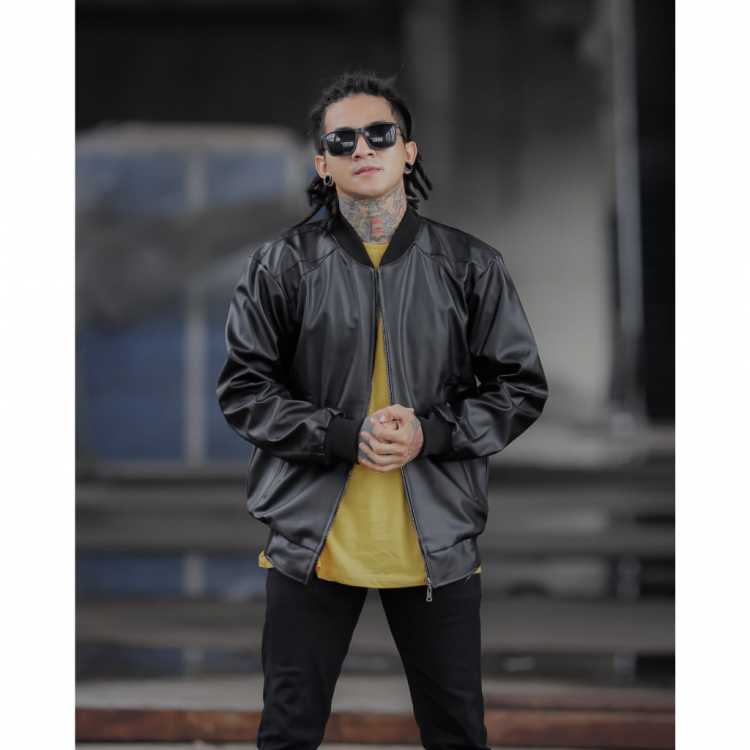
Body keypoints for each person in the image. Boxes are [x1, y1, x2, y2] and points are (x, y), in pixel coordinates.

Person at [216, 70, 548, 750]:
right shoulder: (281, 266)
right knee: (287, 734)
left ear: (408, 150)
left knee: (457, 734)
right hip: (311, 545)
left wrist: (430, 433)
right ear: (323, 163)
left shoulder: (470, 265)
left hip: (437, 545)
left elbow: (519, 387)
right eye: (342, 140)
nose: (362, 148)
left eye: (379, 133)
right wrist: (340, 436)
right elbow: (244, 390)